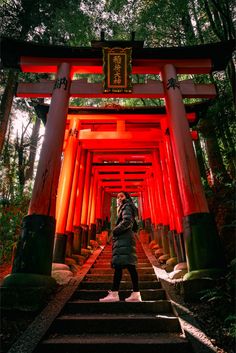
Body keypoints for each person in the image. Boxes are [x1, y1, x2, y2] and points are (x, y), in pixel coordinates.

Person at [99, 191, 142, 302]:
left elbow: (127, 221)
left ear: (127, 197)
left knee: (120, 266)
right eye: (118, 197)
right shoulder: (126, 207)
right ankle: (135, 294)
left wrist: (115, 230)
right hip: (126, 239)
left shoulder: (126, 206)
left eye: (121, 196)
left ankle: (114, 294)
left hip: (124, 239)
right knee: (130, 266)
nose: (119, 198)